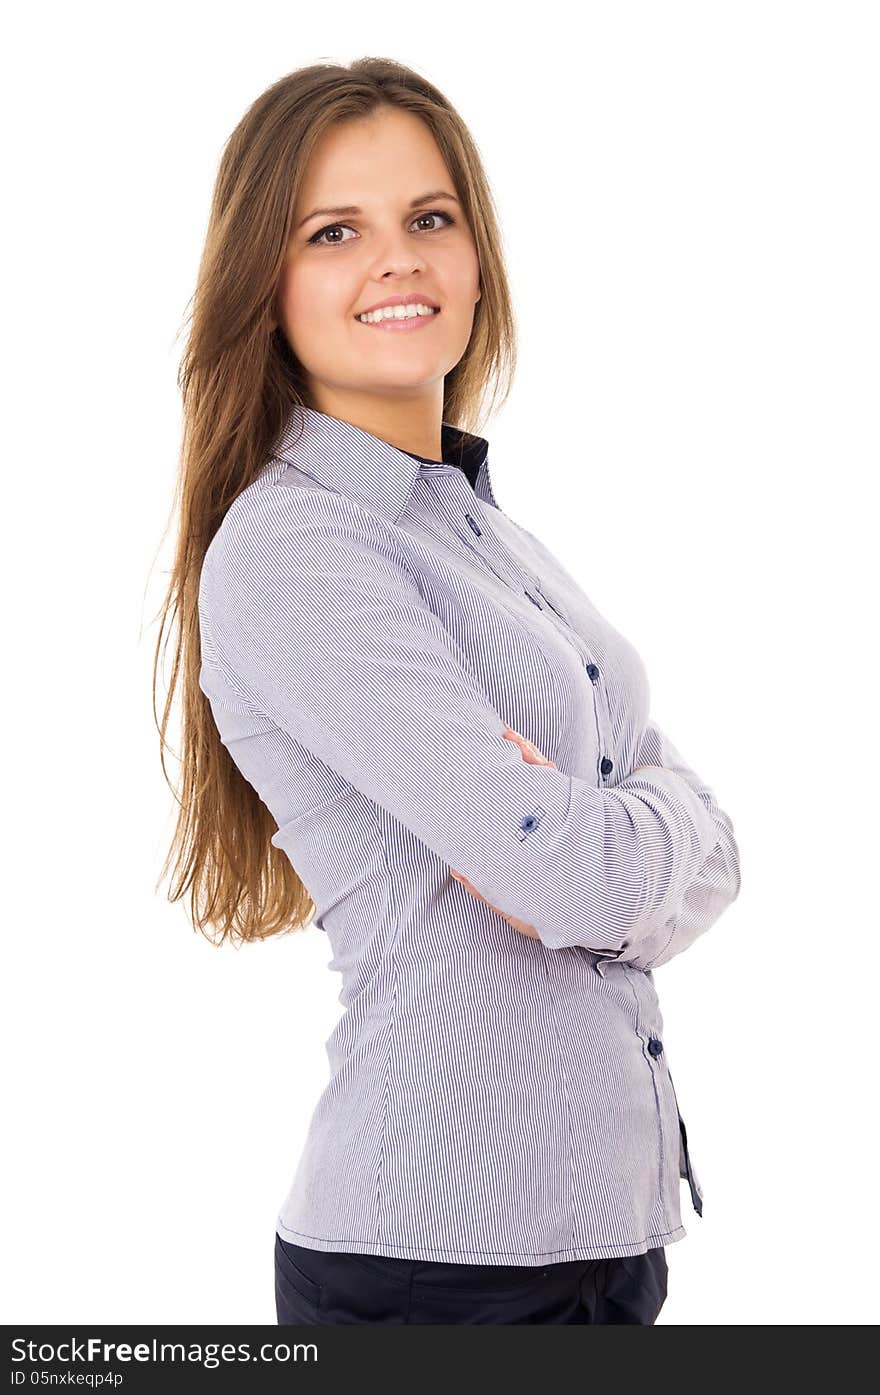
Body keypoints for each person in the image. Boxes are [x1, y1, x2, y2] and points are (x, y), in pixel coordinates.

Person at [156, 58, 741, 1326]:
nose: (397, 261)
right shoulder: (295, 550)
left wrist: (625, 831)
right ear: (267, 282)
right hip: (440, 1272)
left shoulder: (484, 533)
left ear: (477, 258)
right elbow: (568, 876)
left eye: (430, 218)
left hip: (604, 1243)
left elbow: (700, 847)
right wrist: (623, 836)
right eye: (333, 232)